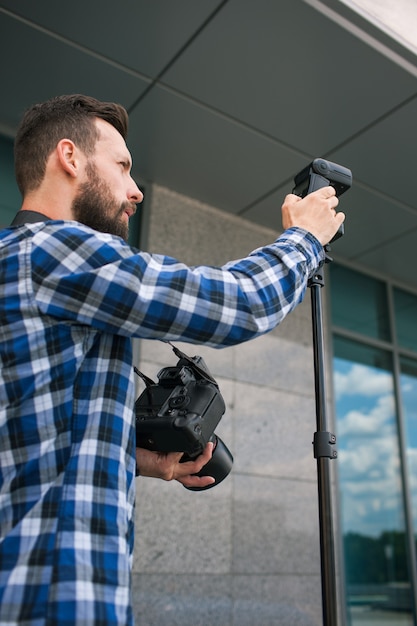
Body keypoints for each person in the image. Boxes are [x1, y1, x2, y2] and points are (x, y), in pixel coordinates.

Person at [0, 94, 344, 625]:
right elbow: (237, 304)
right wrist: (304, 238)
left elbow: (30, 441)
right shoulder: (53, 252)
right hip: (53, 601)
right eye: (123, 166)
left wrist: (135, 459)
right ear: (69, 157)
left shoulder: (16, 263)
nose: (135, 190)